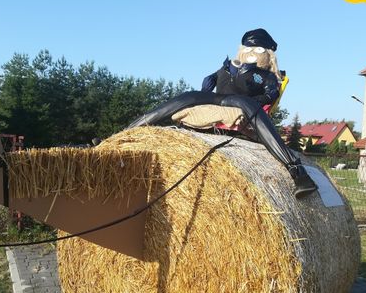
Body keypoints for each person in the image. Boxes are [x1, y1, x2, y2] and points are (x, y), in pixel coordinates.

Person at [127, 29, 317, 199]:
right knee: (183, 98)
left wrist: (258, 100)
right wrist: (207, 84)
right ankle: (124, 135)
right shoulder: (227, 66)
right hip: (216, 99)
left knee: (253, 110)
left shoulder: (267, 75)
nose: (252, 52)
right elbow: (211, 79)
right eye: (248, 48)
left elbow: (271, 93)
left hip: (240, 102)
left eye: (258, 49)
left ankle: (296, 170)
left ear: (267, 53)